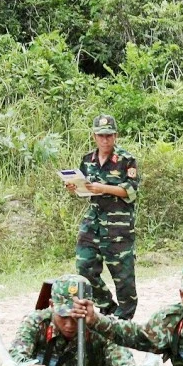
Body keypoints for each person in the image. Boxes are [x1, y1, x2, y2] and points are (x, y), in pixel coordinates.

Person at [8, 274, 137, 366]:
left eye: (76, 318)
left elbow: (123, 357)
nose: (69, 325)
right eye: (63, 317)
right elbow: (15, 355)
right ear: (51, 305)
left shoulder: (101, 326)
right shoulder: (36, 323)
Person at [69, 113, 140, 320]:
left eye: (109, 135)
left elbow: (131, 191)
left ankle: (124, 318)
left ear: (115, 136)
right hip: (94, 220)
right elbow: (85, 188)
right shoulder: (87, 160)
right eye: (101, 136)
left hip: (118, 224)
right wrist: (75, 187)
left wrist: (104, 188)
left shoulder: (126, 160)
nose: (105, 139)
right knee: (84, 266)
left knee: (123, 276)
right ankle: (107, 306)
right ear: (94, 137)